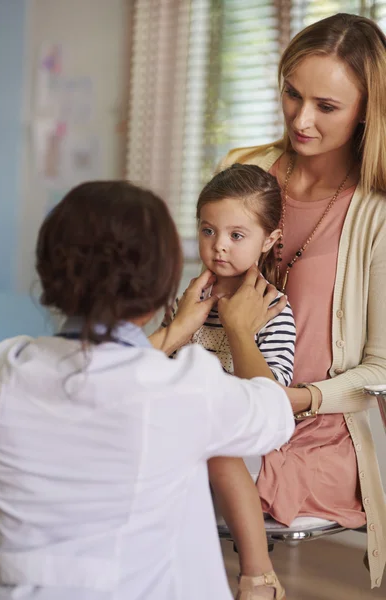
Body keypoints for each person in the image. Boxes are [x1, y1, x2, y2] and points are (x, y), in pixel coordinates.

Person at [0, 180, 294, 600]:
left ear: (46, 272)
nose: (219, 245)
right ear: (163, 285)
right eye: (207, 231)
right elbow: (274, 414)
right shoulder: (184, 389)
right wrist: (234, 329)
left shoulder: (2, 369)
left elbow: (103, 369)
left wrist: (175, 332)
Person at [218, 12, 386, 592]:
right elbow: (209, 305)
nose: (301, 119)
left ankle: (257, 579)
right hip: (231, 401)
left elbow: (381, 371)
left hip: (317, 435)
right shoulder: (245, 172)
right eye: (292, 93)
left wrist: (295, 398)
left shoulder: (377, 211)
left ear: (367, 110)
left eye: (327, 106)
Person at [165, 163, 296, 599]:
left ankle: (258, 576)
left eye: (237, 235)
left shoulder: (275, 310)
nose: (219, 246)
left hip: (243, 440)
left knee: (217, 449)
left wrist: (240, 328)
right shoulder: (187, 300)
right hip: (183, 426)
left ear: (269, 240)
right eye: (208, 231)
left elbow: (268, 402)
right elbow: (159, 372)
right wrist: (180, 325)